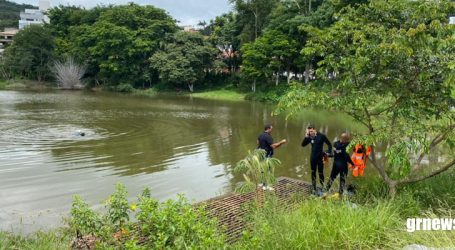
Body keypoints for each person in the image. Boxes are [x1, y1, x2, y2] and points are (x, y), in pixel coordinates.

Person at [301, 125, 332, 194]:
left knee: (320, 173)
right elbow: (303, 145)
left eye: (311, 131)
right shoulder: (309, 137)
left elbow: (329, 144)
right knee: (313, 172)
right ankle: (314, 187)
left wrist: (329, 152)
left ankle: (322, 186)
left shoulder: (321, 136)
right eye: (309, 131)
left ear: (315, 130)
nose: (310, 133)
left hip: (320, 157)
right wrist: (306, 136)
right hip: (313, 158)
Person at [257, 124, 287, 190]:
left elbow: (258, 143)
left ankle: (262, 183)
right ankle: (266, 186)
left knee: (262, 169)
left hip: (260, 155)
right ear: (268, 129)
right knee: (268, 170)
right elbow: (273, 146)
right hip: (267, 156)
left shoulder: (260, 135)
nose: (272, 130)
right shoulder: (268, 137)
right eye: (271, 129)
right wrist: (281, 142)